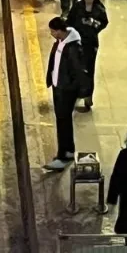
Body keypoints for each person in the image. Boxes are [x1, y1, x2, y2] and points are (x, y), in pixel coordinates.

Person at [44, 16, 90, 171]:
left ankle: (63, 155)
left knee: (63, 121)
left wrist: (82, 90)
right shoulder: (61, 42)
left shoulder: (73, 47)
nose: (51, 34)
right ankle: (68, 150)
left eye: (52, 31)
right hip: (59, 87)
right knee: (62, 120)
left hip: (66, 90)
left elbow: (79, 70)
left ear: (59, 31)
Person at [67, 0, 108, 110]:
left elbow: (104, 22)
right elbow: (70, 21)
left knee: (88, 70)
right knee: (75, 69)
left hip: (90, 44)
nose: (89, 0)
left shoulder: (99, 9)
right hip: (77, 42)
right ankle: (76, 94)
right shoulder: (77, 7)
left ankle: (88, 98)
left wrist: (94, 24)